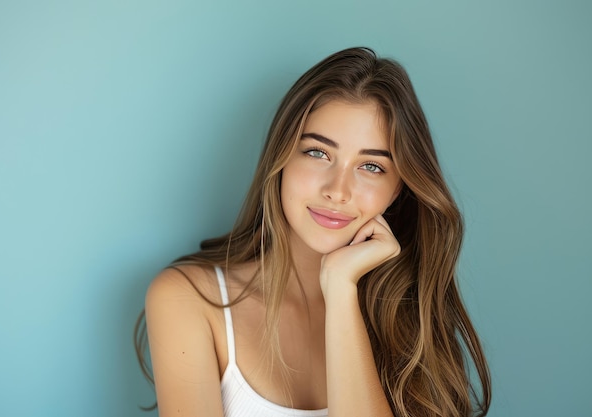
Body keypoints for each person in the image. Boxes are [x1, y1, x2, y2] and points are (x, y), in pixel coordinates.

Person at [135, 46, 491, 417]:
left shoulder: (412, 316)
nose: (338, 190)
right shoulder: (189, 299)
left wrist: (340, 291)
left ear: (399, 187)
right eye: (318, 153)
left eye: (371, 166)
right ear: (282, 157)